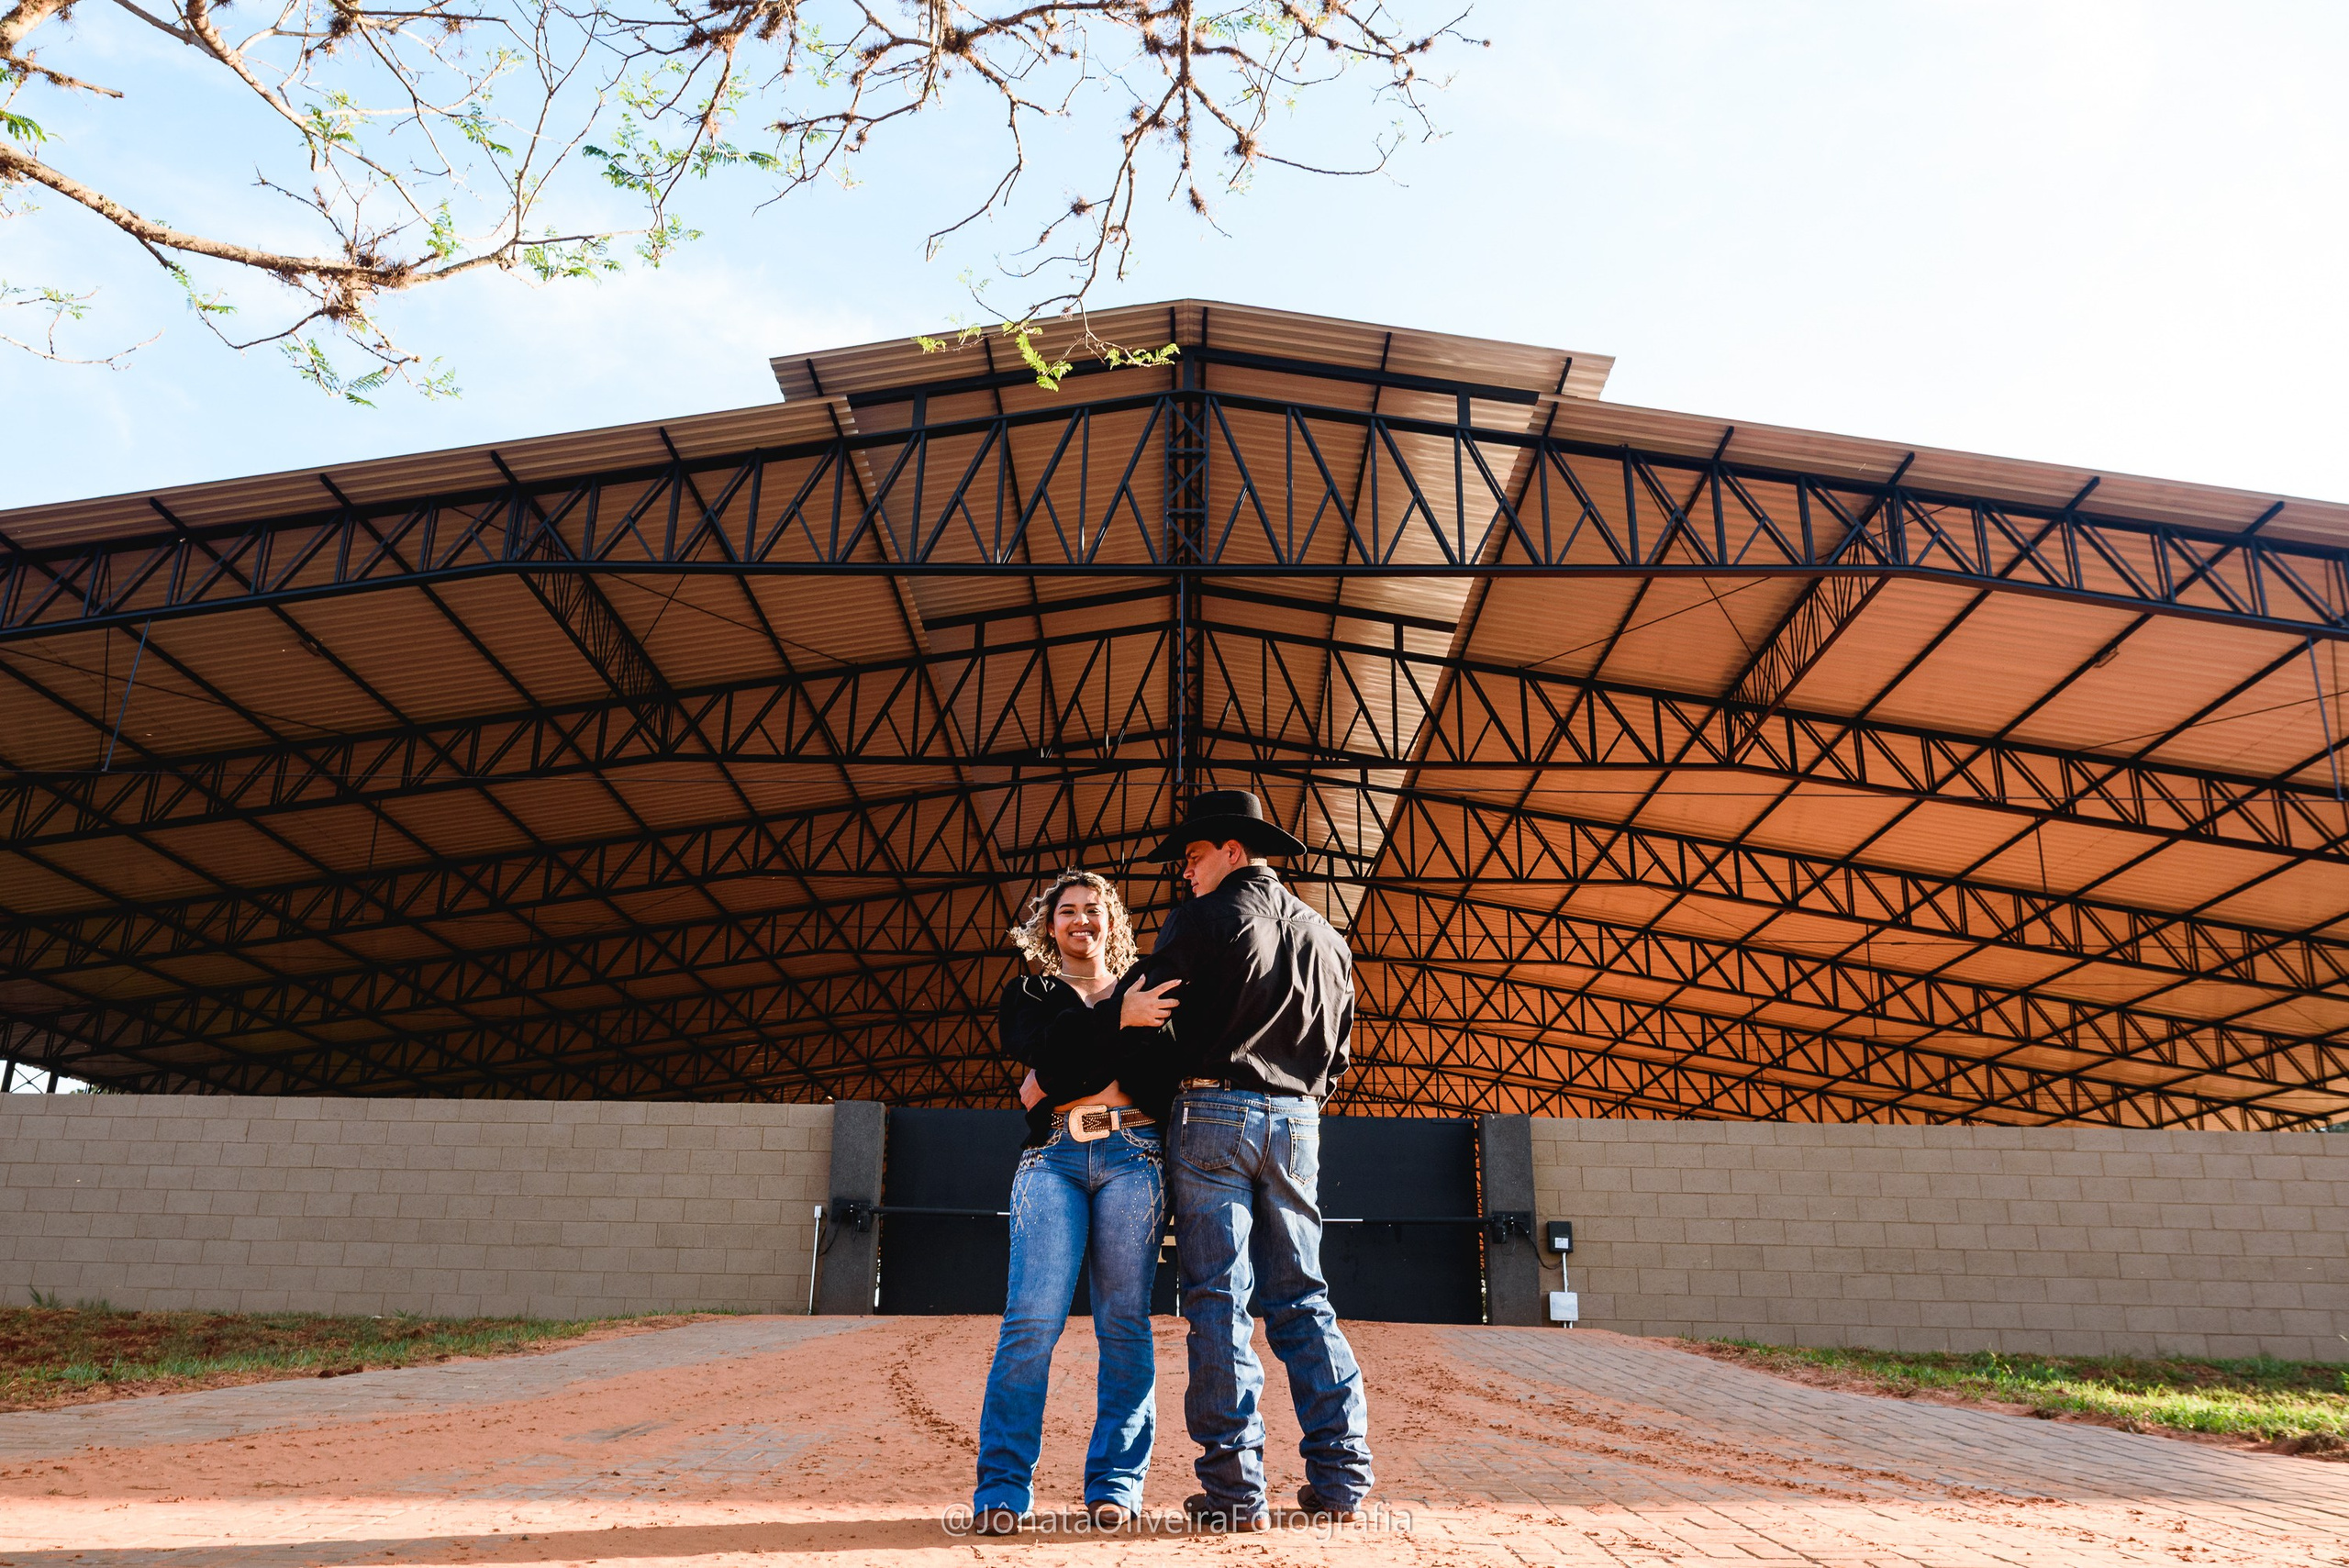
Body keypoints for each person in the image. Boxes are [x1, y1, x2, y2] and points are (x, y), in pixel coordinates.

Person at [1122, 789, 1373, 1531]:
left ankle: (1236, 1491)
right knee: (1303, 1296)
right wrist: (1296, 1103)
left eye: (1194, 856)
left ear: (1233, 850)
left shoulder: (1202, 917)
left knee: (1217, 1298)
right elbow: (1339, 1054)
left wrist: (1167, 1092)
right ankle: (1342, 1479)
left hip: (1213, 1112)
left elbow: (1148, 1010)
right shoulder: (1329, 939)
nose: (1186, 871)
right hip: (1299, 1121)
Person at [970, 869, 1184, 1537]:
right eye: (1067, 910)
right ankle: (1002, 1488)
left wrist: (1066, 1065)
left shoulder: (1147, 985)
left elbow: (1151, 1074)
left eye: (1094, 909)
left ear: (1112, 921)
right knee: (1031, 1323)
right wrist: (1119, 1024)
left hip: (1134, 1155)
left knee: (1124, 1323)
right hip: (1053, 1158)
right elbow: (1040, 1051)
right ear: (1049, 924)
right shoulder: (1030, 992)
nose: (1081, 919)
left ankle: (1116, 1485)